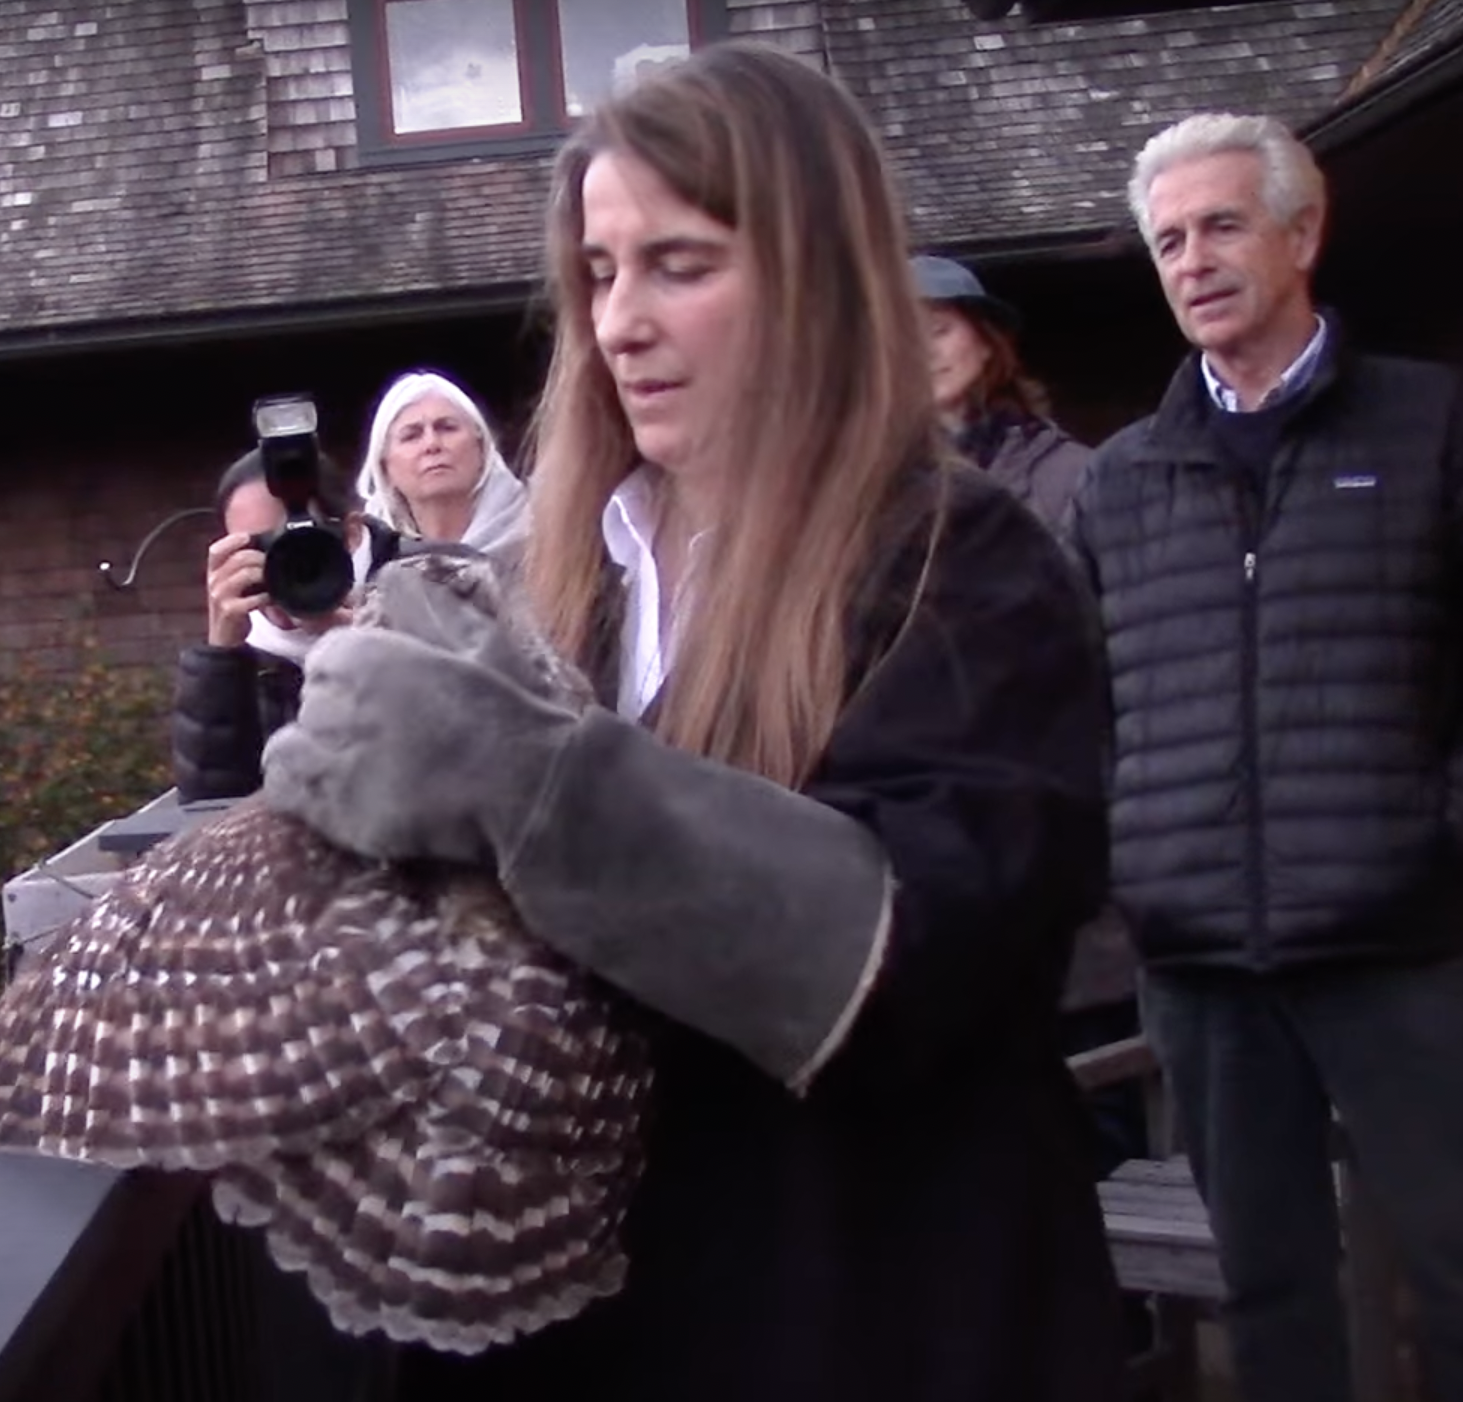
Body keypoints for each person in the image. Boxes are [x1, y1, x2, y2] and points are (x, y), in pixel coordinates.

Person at [263, 41, 1124, 1401]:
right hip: (611, 1315)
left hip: (874, 1309)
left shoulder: (964, 562)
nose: (621, 321)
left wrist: (527, 783)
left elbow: (908, 959)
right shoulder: (567, 577)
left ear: (817, 278)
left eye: (680, 264)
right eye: (601, 272)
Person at [1067, 111, 1463, 1402]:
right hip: (1201, 963)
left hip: (1400, 941)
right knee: (1269, 1287)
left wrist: (1434, 842)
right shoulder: (1123, 480)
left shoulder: (1430, 424)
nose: (1193, 261)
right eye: (1169, 241)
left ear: (1303, 231)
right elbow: (1084, 703)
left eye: (1221, 226)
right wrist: (1136, 853)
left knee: (1456, 1260)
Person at [173, 446, 429, 804]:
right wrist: (221, 661)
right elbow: (210, 807)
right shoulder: (246, 650)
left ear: (352, 533)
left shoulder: (434, 586)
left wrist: (367, 644)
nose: (279, 567)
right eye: (259, 549)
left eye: (296, 547)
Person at [913, 253, 1092, 527]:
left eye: (939, 331)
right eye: (907, 339)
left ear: (985, 341)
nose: (926, 352)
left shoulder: (1072, 473)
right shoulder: (872, 484)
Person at [354, 370, 529, 562]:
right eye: (411, 436)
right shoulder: (367, 562)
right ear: (385, 467)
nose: (432, 444)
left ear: (481, 447)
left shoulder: (539, 540)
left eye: (447, 428)